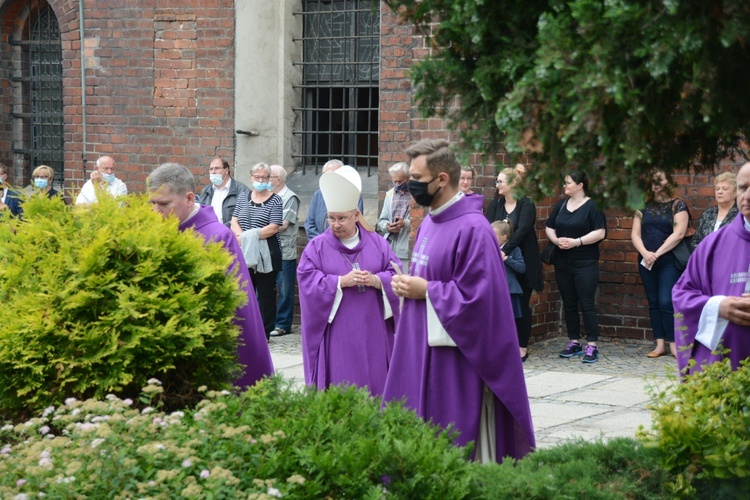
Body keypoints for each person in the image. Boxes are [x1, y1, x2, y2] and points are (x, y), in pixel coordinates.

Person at [382, 139, 534, 463]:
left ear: (441, 180)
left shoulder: (474, 229)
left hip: (456, 361)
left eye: (417, 178)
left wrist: (428, 291)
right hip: (421, 347)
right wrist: (407, 286)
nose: (411, 186)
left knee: (451, 444)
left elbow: (481, 302)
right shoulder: (430, 221)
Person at [147, 162, 274, 387]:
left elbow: (236, 305)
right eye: (152, 204)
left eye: (164, 204)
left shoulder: (218, 238)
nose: (156, 211)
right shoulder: (154, 233)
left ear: (188, 198)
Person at [297, 165, 400, 395]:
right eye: (331, 218)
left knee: (376, 388)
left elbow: (397, 275)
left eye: (342, 218)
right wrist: (340, 282)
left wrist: (376, 281)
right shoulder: (316, 247)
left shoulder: (378, 244)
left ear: (356, 215)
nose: (335, 224)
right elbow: (306, 280)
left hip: (374, 330)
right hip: (338, 335)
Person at [673, 162, 750, 375]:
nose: (748, 196)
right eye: (744, 188)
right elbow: (682, 295)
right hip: (723, 372)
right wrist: (717, 307)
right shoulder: (712, 245)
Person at [546, 170, 607, 363]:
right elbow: (549, 226)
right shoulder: (561, 204)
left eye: (568, 183)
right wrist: (556, 241)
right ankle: (574, 342)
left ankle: (592, 345)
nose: (565, 186)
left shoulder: (593, 206)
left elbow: (600, 233)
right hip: (563, 261)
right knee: (569, 301)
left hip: (585, 262)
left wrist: (577, 242)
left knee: (586, 303)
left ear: (580, 185)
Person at [485, 164, 544, 361]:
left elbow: (523, 229)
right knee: (499, 304)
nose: (497, 185)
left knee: (522, 304)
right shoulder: (496, 205)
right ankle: (501, 344)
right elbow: (487, 229)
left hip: (522, 258)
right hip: (498, 262)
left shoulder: (526, 204)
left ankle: (521, 346)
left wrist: (504, 251)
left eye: (500, 181)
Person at [631, 169, 688, 358]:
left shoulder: (678, 206)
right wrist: (646, 254)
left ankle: (674, 344)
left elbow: (679, 234)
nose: (655, 184)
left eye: (660, 180)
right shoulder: (642, 206)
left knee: (666, 301)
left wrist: (657, 254)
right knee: (654, 302)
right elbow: (635, 234)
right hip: (646, 259)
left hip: (668, 260)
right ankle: (659, 344)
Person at [231, 162, 283, 340]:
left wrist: (247, 236)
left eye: (264, 177)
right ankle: (245, 330)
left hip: (267, 254)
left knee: (266, 294)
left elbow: (274, 227)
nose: (260, 180)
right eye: (257, 177)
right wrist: (241, 237)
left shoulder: (275, 200)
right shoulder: (243, 196)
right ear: (251, 178)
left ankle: (264, 333)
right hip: (244, 252)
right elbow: (234, 222)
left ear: (269, 179)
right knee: (245, 293)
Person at [269, 164, 300, 337]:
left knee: (285, 288)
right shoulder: (266, 196)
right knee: (266, 287)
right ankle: (267, 322)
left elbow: (282, 225)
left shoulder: (290, 197)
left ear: (278, 179)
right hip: (266, 249)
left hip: (284, 251)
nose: (265, 180)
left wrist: (262, 226)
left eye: (268, 177)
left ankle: (282, 324)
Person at [304, 159, 364, 240]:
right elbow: (309, 224)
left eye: (336, 175)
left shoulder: (354, 194)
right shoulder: (318, 195)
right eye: (329, 175)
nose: (333, 179)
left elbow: (355, 223)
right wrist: (321, 243)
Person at [492, 220, 526, 352]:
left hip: (510, 291)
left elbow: (522, 268)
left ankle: (510, 348)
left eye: (494, 235)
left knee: (510, 322)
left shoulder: (514, 250)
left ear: (504, 237)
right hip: (494, 292)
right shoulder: (489, 249)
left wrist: (506, 259)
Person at [689, 172, 738, 252]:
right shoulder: (707, 214)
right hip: (705, 260)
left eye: (725, 189)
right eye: (717, 189)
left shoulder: (741, 215)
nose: (720, 192)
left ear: (735, 193)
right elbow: (695, 241)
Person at [376, 162, 411, 272]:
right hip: (389, 247)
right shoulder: (390, 194)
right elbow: (381, 220)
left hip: (406, 248)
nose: (397, 184)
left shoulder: (415, 196)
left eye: (400, 181)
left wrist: (404, 223)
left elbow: (422, 221)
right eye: (394, 181)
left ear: (408, 178)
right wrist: (387, 226)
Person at [197, 157, 251, 228]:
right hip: (209, 234)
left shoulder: (242, 190)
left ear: (226, 170)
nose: (213, 172)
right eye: (211, 169)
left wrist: (222, 229)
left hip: (231, 235)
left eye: (217, 168)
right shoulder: (206, 191)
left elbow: (245, 217)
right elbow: (201, 215)